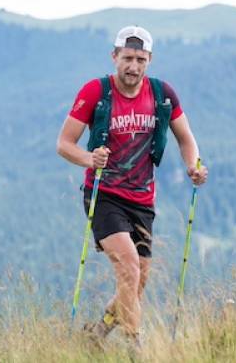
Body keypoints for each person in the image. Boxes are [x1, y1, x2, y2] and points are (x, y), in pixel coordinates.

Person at [56, 25, 208, 346]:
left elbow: (186, 139)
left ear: (149, 60)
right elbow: (64, 144)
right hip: (104, 195)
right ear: (114, 57)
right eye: (127, 58)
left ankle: (94, 338)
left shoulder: (162, 94)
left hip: (142, 199)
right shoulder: (96, 93)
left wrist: (193, 166)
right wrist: (88, 159)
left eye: (140, 59)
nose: (133, 66)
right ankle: (134, 348)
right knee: (129, 268)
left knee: (136, 284)